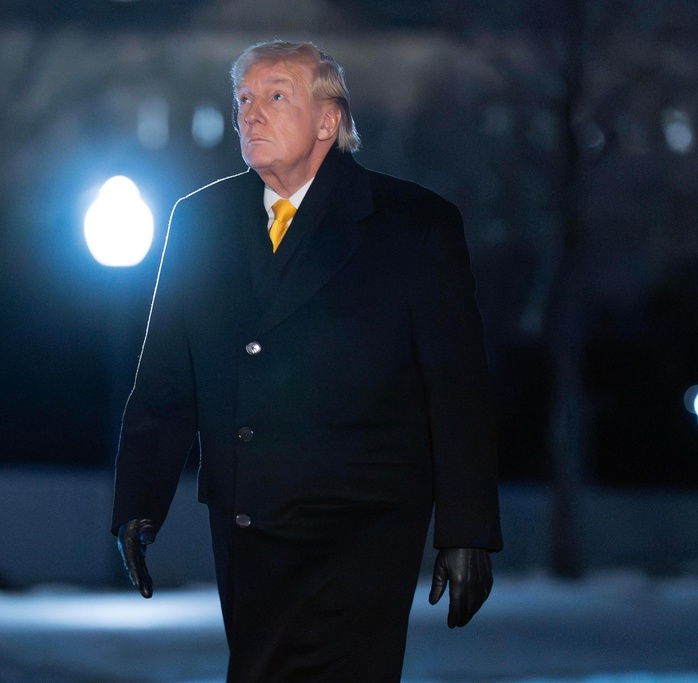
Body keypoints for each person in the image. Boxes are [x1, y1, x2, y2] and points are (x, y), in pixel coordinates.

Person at [112, 40, 503, 682]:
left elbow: (457, 388)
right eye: (243, 99)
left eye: (275, 96)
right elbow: (165, 381)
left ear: (329, 121)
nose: (252, 114)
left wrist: (467, 529)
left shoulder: (414, 225)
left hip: (364, 525)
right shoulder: (199, 220)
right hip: (249, 517)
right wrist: (138, 503)